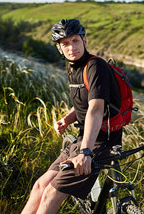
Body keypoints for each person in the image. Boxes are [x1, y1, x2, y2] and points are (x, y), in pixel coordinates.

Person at [21, 19, 122, 214]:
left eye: (75, 41)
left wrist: (85, 153)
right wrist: (67, 119)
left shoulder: (95, 67)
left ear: (84, 40)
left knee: (51, 193)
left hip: (100, 143)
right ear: (59, 48)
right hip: (81, 139)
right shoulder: (73, 67)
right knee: (40, 186)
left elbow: (96, 109)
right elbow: (83, 105)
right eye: (65, 44)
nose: (71, 48)